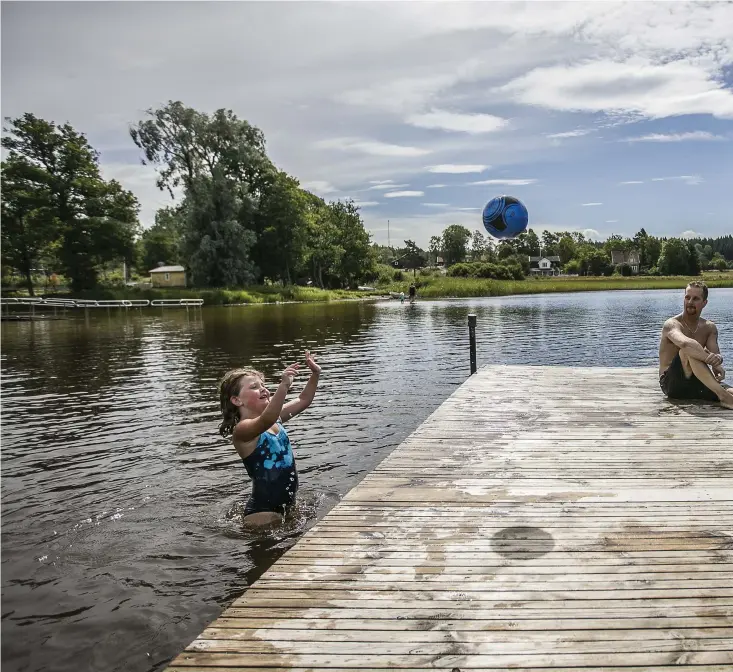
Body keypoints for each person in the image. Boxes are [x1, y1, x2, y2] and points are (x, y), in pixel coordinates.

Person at [218, 351, 322, 527]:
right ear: (236, 400)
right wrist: (283, 386)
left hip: (288, 506)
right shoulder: (242, 430)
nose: (264, 389)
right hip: (262, 512)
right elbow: (266, 419)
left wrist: (315, 374)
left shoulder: (277, 418)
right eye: (254, 387)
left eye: (263, 385)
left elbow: (304, 399)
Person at [658, 281, 733, 410]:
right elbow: (685, 344)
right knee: (686, 350)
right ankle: (724, 397)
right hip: (673, 384)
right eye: (687, 297)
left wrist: (718, 361)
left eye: (696, 298)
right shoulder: (672, 324)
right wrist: (707, 358)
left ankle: (725, 395)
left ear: (704, 303)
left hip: (698, 381)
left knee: (731, 390)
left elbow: (715, 356)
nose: (690, 302)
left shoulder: (709, 328)